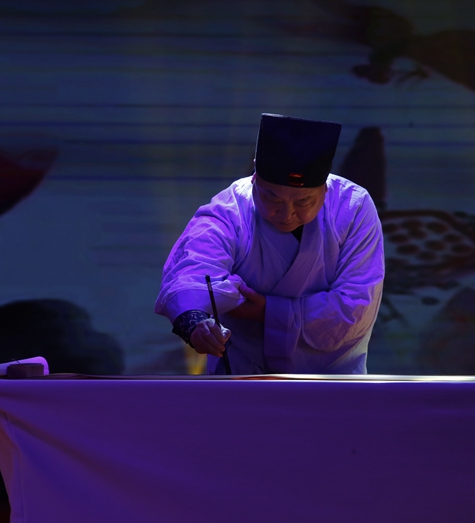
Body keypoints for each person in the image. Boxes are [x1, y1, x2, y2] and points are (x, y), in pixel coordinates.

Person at [155, 114, 384, 374]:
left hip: (331, 376)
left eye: (303, 202)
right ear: (254, 179)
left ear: (325, 190)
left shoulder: (353, 207)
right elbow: (190, 272)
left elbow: (355, 308)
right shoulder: (230, 209)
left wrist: (268, 311)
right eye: (272, 199)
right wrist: (196, 325)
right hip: (243, 373)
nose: (287, 214)